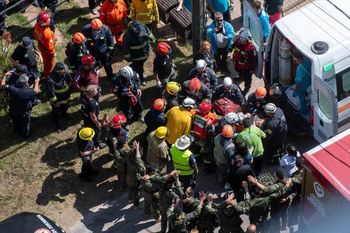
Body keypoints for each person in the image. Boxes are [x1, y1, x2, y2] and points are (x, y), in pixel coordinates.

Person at [122, 20, 153, 86]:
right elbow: (125, 49)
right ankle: (141, 79)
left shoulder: (143, 27)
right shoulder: (127, 36)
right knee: (139, 68)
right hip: (136, 57)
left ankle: (133, 68)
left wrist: (152, 38)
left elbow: (149, 33)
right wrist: (128, 58)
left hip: (145, 54)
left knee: (139, 65)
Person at [191, 101, 217, 173]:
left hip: (196, 135)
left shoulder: (194, 114)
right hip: (205, 139)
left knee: (196, 149)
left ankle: (196, 159)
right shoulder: (212, 118)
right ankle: (207, 168)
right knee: (208, 153)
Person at [105, 114, 128, 188]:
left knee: (111, 151)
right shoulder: (123, 133)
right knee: (117, 157)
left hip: (109, 142)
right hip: (117, 147)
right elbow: (122, 142)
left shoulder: (110, 125)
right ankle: (115, 165)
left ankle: (110, 155)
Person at [47, 62, 72, 130]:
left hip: (65, 97)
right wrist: (55, 102)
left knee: (65, 107)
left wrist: (69, 92)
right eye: (63, 71)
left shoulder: (65, 73)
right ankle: (56, 124)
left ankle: (64, 114)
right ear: (57, 71)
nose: (65, 71)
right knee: (56, 113)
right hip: (57, 100)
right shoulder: (51, 80)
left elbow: (69, 81)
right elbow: (51, 93)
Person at [232, 30, 257, 95]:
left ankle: (246, 89)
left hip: (246, 68)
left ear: (247, 40)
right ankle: (240, 77)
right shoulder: (238, 41)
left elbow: (254, 61)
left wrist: (252, 70)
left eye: (244, 40)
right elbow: (234, 46)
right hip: (238, 64)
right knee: (239, 72)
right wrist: (231, 48)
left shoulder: (251, 49)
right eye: (241, 40)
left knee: (247, 79)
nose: (242, 41)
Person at [81, 85, 106, 149]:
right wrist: (97, 123)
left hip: (86, 118)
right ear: (92, 93)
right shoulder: (92, 103)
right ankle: (97, 144)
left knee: (89, 128)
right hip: (91, 121)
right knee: (97, 131)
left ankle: (89, 137)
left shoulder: (84, 96)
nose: (97, 91)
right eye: (96, 91)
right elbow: (93, 116)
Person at [33, 11, 55, 80]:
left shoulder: (36, 25)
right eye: (48, 19)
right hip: (47, 50)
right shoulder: (47, 33)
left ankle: (47, 69)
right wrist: (52, 53)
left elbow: (34, 34)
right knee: (48, 65)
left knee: (46, 60)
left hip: (41, 45)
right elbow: (50, 47)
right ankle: (47, 76)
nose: (49, 19)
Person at [214, 125, 235, 189]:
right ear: (231, 135)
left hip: (217, 157)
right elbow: (230, 158)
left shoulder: (217, 137)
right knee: (225, 173)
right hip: (224, 162)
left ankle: (217, 178)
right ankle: (224, 184)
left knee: (219, 169)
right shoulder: (230, 146)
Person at [126, 141, 146, 207]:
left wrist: (134, 149)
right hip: (136, 179)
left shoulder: (129, 158)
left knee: (130, 188)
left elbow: (129, 153)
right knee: (136, 192)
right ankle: (136, 205)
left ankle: (129, 199)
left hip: (129, 177)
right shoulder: (138, 162)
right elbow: (142, 171)